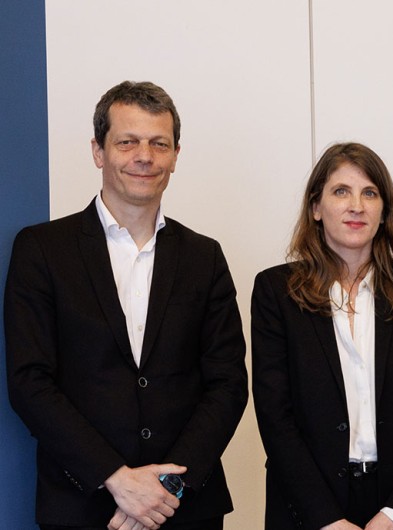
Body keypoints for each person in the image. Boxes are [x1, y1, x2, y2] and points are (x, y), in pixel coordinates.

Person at [5, 81, 248, 529]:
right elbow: (30, 382)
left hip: (186, 508)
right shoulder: (42, 250)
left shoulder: (204, 256)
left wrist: (163, 491)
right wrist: (116, 479)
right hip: (81, 508)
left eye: (159, 144)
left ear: (176, 154)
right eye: (127, 142)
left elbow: (228, 383)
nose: (144, 156)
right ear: (99, 151)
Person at [251, 142, 393, 530]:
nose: (356, 205)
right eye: (341, 191)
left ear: (384, 211)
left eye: (370, 193)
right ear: (316, 207)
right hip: (307, 511)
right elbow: (276, 419)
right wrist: (326, 520)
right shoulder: (276, 292)